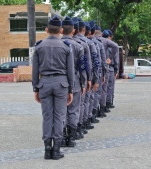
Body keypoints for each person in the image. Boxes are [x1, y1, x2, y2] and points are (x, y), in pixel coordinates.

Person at [32, 15, 75, 160]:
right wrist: (71, 90)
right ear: (61, 30)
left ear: (46, 30)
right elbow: (70, 71)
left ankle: (47, 149)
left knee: (47, 117)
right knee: (59, 116)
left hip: (44, 83)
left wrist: (35, 89)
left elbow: (35, 70)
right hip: (61, 84)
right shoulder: (66, 46)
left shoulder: (39, 46)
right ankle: (56, 150)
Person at [61, 16, 87, 147]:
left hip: (60, 81)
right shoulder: (79, 46)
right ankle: (71, 137)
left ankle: (62, 134)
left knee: (61, 110)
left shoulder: (57, 45)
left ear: (61, 31)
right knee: (74, 109)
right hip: (75, 81)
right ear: (73, 31)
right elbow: (83, 67)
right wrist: (84, 82)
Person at [71, 17, 92, 137]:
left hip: (60, 81)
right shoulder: (83, 44)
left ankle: (63, 136)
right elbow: (86, 65)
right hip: (77, 79)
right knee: (79, 104)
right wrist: (87, 79)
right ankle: (77, 129)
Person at [95, 29, 118, 116]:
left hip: (92, 68)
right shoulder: (106, 42)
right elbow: (116, 47)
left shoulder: (90, 40)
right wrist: (109, 59)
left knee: (93, 92)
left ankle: (93, 112)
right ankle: (102, 109)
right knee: (105, 89)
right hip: (105, 67)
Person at [88, 20, 107, 123]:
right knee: (95, 94)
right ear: (93, 32)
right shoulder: (97, 44)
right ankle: (93, 115)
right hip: (94, 73)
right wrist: (102, 74)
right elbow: (101, 61)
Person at [84, 21, 100, 128]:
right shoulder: (90, 44)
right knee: (86, 100)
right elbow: (94, 63)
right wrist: (94, 79)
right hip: (85, 77)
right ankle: (86, 122)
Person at [106, 29, 119, 111]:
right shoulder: (113, 46)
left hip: (103, 67)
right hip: (111, 68)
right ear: (111, 37)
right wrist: (117, 70)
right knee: (110, 87)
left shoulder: (101, 43)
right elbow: (116, 59)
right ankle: (109, 103)